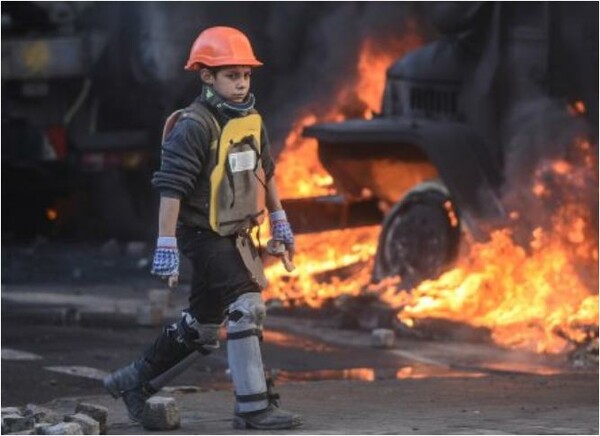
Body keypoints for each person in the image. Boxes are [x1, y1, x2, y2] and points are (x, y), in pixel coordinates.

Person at [103, 26, 302, 430]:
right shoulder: (193, 126)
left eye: (245, 74)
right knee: (248, 306)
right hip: (203, 236)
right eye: (231, 75)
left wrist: (280, 220)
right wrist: (165, 245)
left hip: (235, 234)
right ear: (205, 76)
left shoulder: (251, 120)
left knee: (203, 329)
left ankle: (133, 383)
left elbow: (267, 172)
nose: (241, 82)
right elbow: (171, 189)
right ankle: (253, 408)